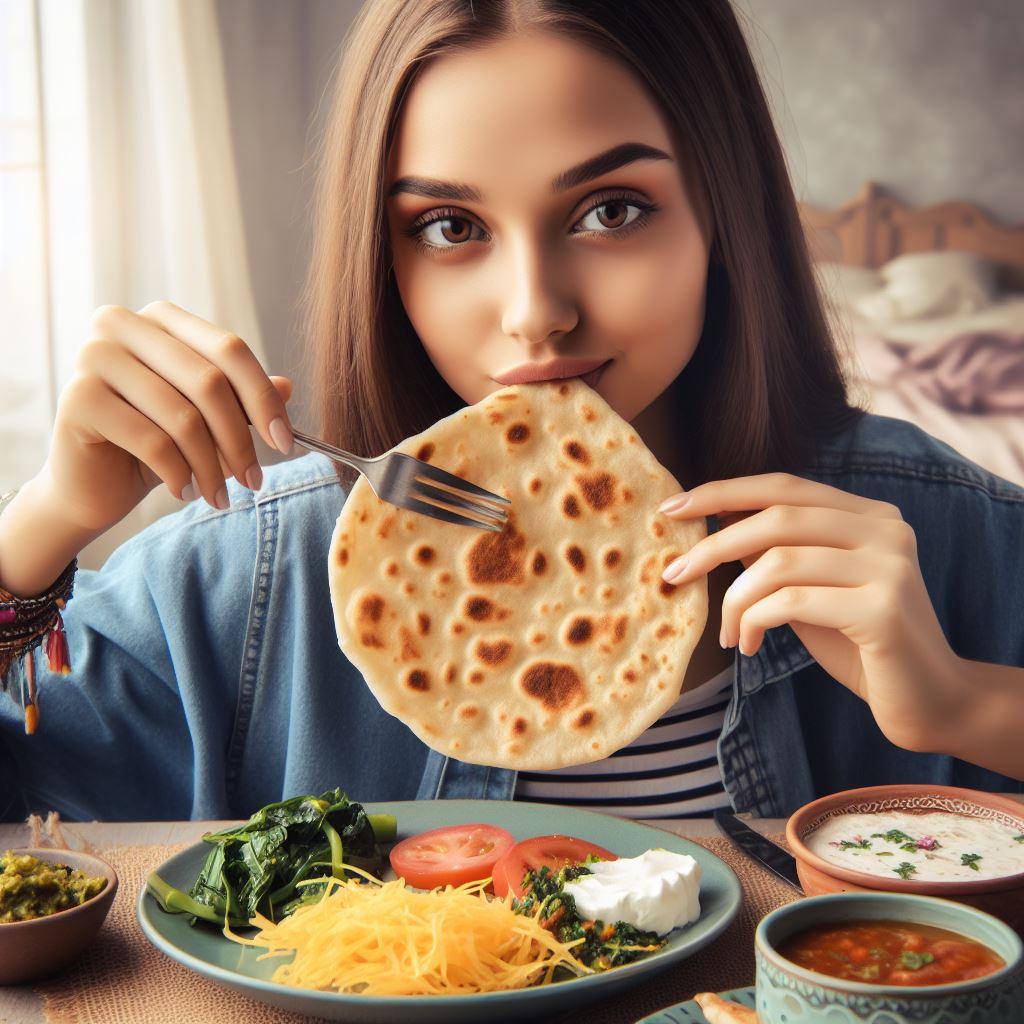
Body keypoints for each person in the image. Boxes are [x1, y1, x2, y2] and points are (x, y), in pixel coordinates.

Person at [0, 0, 1020, 824]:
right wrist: (39, 527)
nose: (535, 310)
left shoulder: (932, 533)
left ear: (722, 211)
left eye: (610, 210)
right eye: (450, 225)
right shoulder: (249, 578)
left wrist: (966, 703)